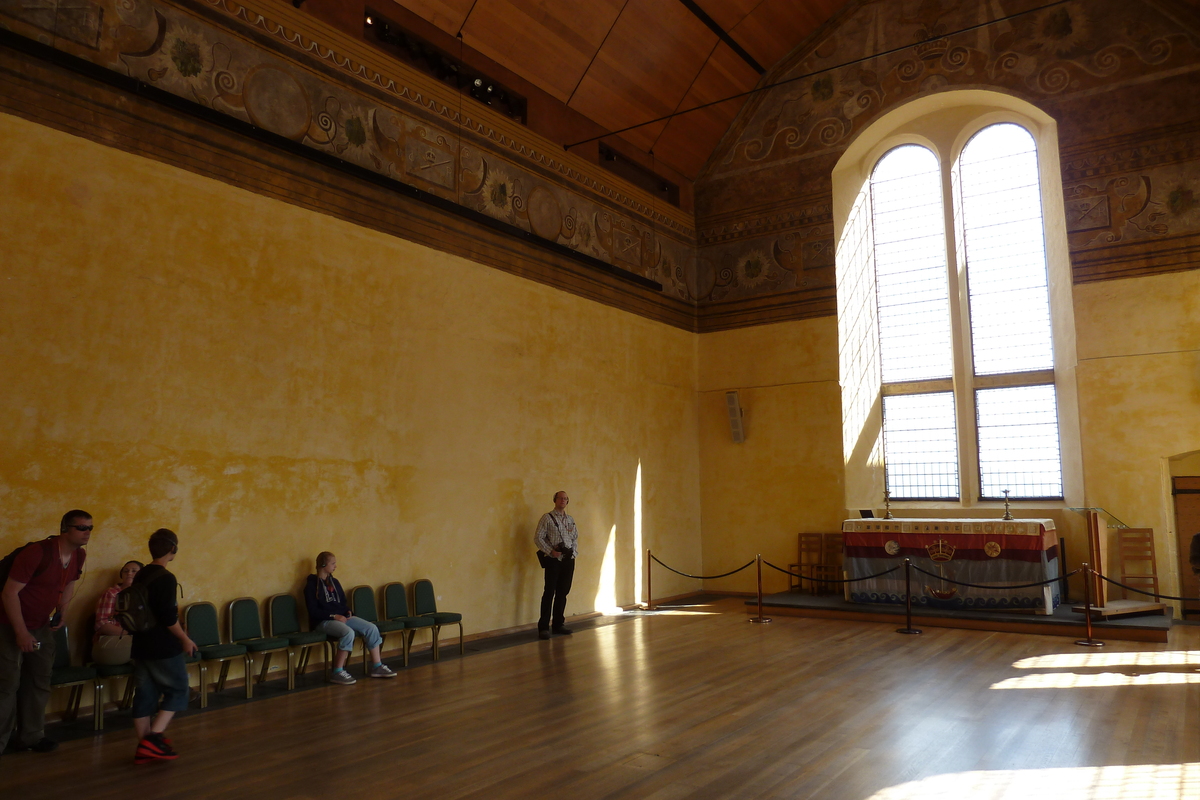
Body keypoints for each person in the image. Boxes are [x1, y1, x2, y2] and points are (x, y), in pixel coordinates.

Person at [0, 509, 90, 757]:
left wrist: (62, 610)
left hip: (40, 625)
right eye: (81, 528)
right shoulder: (37, 553)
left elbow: (70, 582)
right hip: (8, 625)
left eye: (90, 528)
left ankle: (31, 736)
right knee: (6, 683)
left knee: (39, 680)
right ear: (65, 528)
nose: (87, 533)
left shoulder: (78, 556)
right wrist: (20, 632)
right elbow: (9, 593)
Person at [130, 529, 198, 765]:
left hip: (141, 643)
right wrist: (184, 639)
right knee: (179, 689)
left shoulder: (141, 575)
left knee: (145, 694)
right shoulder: (165, 578)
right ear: (173, 550)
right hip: (162, 645)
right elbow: (168, 616)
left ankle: (143, 746)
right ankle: (154, 739)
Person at [304, 552, 397, 685]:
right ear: (323, 565)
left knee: (371, 628)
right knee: (348, 632)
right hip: (323, 621)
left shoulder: (334, 582)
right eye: (333, 563)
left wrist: (348, 612)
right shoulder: (311, 586)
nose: (336, 566)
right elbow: (313, 611)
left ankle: (377, 666)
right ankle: (337, 671)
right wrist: (334, 616)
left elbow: (342, 602)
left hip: (341, 617)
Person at [534, 491, 579, 640]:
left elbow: (575, 538)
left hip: (568, 560)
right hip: (553, 561)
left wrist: (573, 553)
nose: (563, 500)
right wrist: (550, 551)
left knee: (563, 592)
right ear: (555, 500)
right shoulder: (547, 518)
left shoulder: (570, 519)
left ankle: (559, 623)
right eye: (560, 498)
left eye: (566, 498)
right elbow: (538, 537)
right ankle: (543, 627)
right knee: (549, 593)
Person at [93, 560, 143, 666]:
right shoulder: (112, 593)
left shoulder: (143, 596)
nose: (129, 573)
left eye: (134, 571)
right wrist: (131, 633)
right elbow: (102, 624)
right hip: (111, 641)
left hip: (133, 642)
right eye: (126, 571)